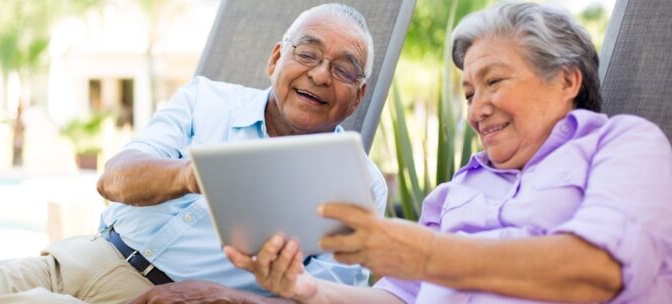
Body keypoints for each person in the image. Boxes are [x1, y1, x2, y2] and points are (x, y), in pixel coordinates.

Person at [225, 1, 672, 303]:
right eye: (469, 94)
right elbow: (397, 298)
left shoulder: (624, 145)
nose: (478, 109)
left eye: (494, 82)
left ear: (566, 81)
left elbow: (599, 270)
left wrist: (427, 254)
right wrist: (308, 289)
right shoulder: (456, 190)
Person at [0, 3, 388, 304]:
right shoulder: (205, 99)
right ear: (276, 58)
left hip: (181, 299)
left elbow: (334, 297)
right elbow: (113, 179)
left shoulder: (359, 182)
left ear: (359, 96)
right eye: (308, 54)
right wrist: (195, 175)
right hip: (78, 259)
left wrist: (230, 298)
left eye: (344, 70)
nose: (319, 74)